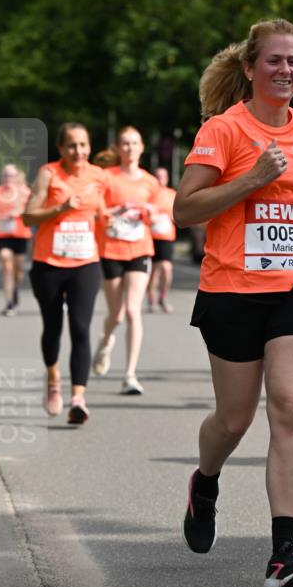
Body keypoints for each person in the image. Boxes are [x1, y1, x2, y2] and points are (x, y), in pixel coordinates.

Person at [173, 17, 293, 587]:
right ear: (251, 68)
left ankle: (284, 555)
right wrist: (251, 178)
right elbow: (185, 210)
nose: (285, 70)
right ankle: (205, 481)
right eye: (275, 60)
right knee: (233, 420)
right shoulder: (224, 130)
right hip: (233, 288)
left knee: (291, 405)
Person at [23, 123, 111, 425]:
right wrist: (61, 208)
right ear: (61, 148)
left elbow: (102, 210)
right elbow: (28, 216)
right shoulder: (49, 174)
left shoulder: (98, 176)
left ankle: (78, 399)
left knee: (81, 328)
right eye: (72, 145)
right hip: (49, 263)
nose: (78, 151)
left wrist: (109, 220)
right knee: (53, 327)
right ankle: (53, 380)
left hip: (85, 263)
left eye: (83, 145)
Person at [92, 126, 159, 395]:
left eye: (134, 143)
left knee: (133, 310)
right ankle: (106, 340)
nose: (130, 148)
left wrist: (150, 213)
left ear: (142, 147)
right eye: (125, 143)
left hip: (140, 248)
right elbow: (96, 212)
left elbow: (156, 217)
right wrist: (114, 211)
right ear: (118, 149)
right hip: (111, 249)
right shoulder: (107, 178)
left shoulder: (150, 182)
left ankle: (130, 375)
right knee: (117, 314)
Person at [0, 164, 32, 316]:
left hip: (20, 234)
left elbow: (31, 210)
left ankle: (15, 290)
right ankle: (9, 303)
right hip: (2, 234)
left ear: (17, 177)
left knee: (18, 271)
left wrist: (18, 212)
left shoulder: (24, 192)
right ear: (2, 177)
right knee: (6, 263)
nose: (9, 178)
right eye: (6, 175)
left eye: (12, 175)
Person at [146, 166, 177, 313]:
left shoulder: (172, 194)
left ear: (167, 179)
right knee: (154, 270)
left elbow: (179, 215)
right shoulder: (148, 193)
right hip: (150, 236)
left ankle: (163, 297)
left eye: (163, 176)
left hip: (167, 236)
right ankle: (152, 297)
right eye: (158, 176)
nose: (160, 179)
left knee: (166, 268)